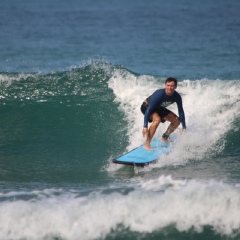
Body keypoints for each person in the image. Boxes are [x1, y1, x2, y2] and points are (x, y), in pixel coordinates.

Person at [141, 77, 186, 150]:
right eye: (168, 85)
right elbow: (149, 109)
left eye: (172, 86)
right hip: (147, 107)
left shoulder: (177, 97)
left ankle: (165, 137)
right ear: (165, 85)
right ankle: (147, 144)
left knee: (177, 121)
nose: (169, 88)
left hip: (159, 108)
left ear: (175, 87)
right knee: (157, 120)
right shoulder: (159, 94)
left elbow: (181, 111)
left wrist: (184, 127)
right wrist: (145, 126)